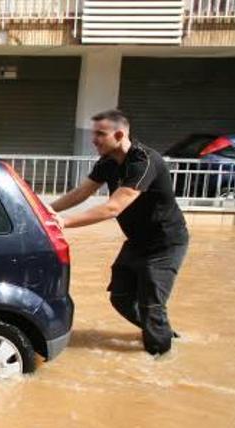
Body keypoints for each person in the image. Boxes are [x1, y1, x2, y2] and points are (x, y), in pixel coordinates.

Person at [50, 109, 189, 356]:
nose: (93, 140)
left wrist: (63, 222)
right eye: (94, 134)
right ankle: (163, 334)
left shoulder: (144, 161)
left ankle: (161, 356)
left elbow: (113, 208)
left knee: (151, 305)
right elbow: (81, 193)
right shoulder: (107, 162)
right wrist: (46, 211)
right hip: (136, 242)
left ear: (119, 134)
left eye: (100, 134)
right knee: (121, 298)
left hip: (165, 243)